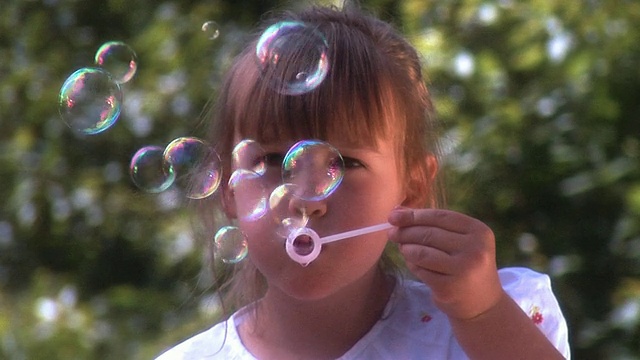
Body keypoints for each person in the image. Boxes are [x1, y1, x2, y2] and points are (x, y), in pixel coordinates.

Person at [156, 2, 570, 359]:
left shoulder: (478, 333)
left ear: (410, 187)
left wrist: (482, 313)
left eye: (347, 164)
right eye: (272, 159)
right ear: (228, 185)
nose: (305, 199)